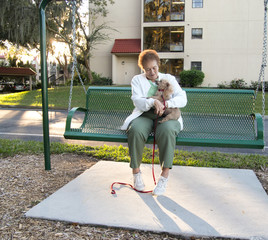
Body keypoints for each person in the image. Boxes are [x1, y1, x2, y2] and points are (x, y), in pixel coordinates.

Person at [121, 49, 187, 196]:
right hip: (145, 114)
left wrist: (167, 104)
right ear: (142, 69)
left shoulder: (168, 78)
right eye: (148, 69)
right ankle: (136, 173)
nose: (152, 72)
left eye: (154, 68)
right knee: (135, 130)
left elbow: (183, 99)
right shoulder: (137, 80)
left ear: (159, 65)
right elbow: (138, 101)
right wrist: (152, 102)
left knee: (167, 131)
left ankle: (164, 177)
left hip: (168, 114)